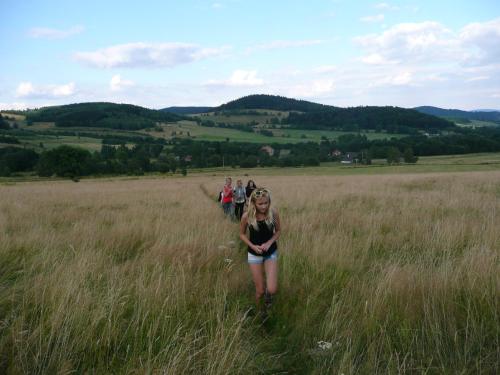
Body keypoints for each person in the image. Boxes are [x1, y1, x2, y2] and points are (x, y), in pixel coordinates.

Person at [239, 188, 281, 314]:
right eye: (260, 203)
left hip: (270, 253)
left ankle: (268, 300)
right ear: (253, 203)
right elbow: (241, 234)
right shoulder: (247, 216)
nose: (264, 206)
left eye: (266, 202)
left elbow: (278, 231)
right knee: (260, 290)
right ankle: (258, 311)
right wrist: (252, 246)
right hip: (254, 255)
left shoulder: (273, 212)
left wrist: (269, 243)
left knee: (272, 289)